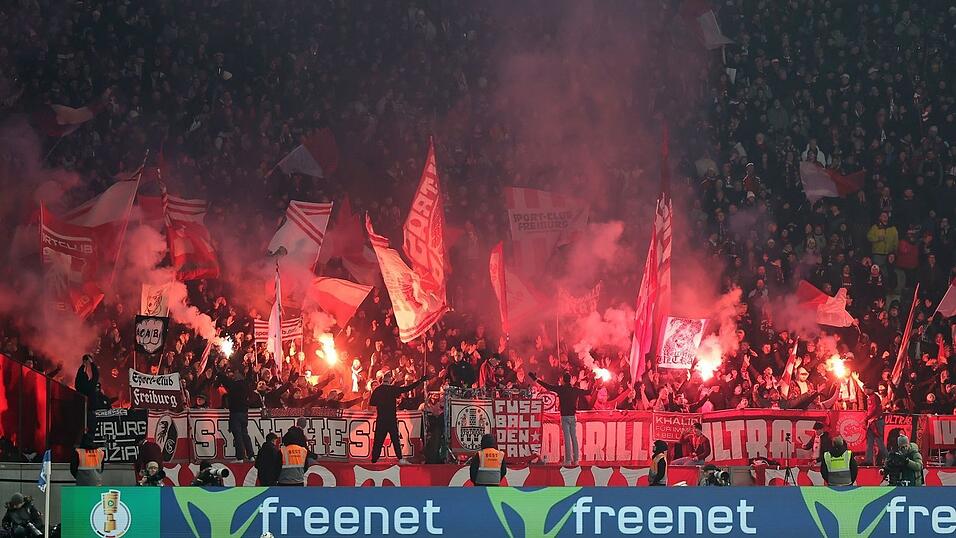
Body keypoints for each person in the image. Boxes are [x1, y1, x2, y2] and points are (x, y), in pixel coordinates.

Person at [528, 372, 588, 465]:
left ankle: (568, 460)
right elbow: (587, 392)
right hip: (573, 416)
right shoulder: (575, 390)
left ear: (563, 380)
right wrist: (596, 384)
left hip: (564, 417)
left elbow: (548, 386)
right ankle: (576, 460)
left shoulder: (561, 389)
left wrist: (535, 379)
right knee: (574, 438)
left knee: (567, 439)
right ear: (570, 380)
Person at [369, 372, 428, 463]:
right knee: (395, 440)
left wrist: (381, 403)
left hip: (381, 419)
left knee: (378, 441)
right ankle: (400, 459)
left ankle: (374, 460)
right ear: (389, 380)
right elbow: (408, 388)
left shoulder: (377, 390)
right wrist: (420, 381)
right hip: (391, 419)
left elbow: (372, 403)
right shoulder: (392, 389)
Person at [217, 366, 254, 462]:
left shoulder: (232, 385)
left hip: (235, 413)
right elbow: (250, 377)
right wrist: (250, 365)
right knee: (245, 434)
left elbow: (223, 378)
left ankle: (240, 457)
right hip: (244, 413)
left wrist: (218, 368)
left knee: (238, 435)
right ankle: (251, 455)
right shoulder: (246, 384)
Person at [863, 386, 887, 466]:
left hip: (876, 422)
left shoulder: (873, 397)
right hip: (873, 422)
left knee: (879, 442)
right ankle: (868, 461)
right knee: (870, 442)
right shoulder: (870, 397)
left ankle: (888, 459)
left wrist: (866, 419)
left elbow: (873, 410)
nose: (864, 391)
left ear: (870, 389)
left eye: (865, 389)